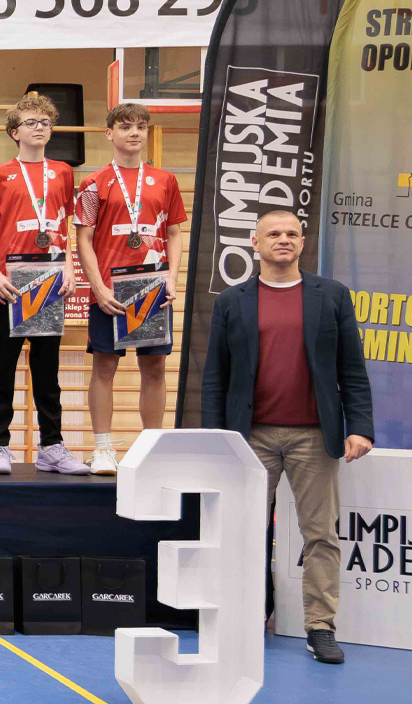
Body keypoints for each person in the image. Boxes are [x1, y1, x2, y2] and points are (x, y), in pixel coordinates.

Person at [201, 210, 373, 665]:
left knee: (321, 536)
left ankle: (320, 627)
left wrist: (360, 426)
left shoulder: (331, 295)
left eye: (292, 233)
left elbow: (351, 368)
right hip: (249, 438)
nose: (284, 239)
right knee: (243, 534)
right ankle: (245, 618)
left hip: (314, 436)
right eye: (274, 233)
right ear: (255, 243)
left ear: (302, 242)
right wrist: (216, 439)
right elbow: (215, 375)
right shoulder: (232, 300)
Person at [0, 94, 89, 475]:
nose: (39, 127)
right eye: (30, 122)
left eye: (45, 122)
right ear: (14, 131)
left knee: (47, 370)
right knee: (2, 367)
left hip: (50, 282)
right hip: (10, 284)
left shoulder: (63, 172)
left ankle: (51, 447)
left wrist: (70, 267)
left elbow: (64, 226)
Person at [75, 102, 186, 474]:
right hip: (110, 290)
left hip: (153, 287)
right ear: (110, 134)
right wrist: (97, 287)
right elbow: (84, 238)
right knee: (104, 368)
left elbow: (174, 233)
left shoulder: (165, 180)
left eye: (140, 126)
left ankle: (151, 449)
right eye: (125, 126)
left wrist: (172, 277)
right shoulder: (94, 183)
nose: (134, 132)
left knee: (154, 368)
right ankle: (103, 449)